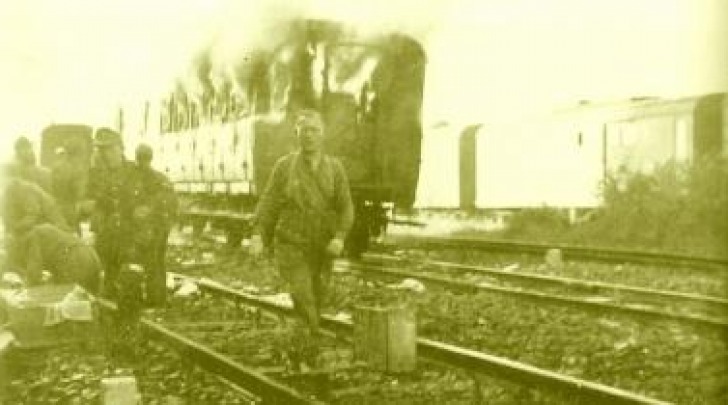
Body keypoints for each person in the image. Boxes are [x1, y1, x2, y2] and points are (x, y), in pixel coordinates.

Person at [251, 109, 354, 351]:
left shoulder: (335, 168)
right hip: (291, 243)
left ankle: (305, 341)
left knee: (318, 295)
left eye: (314, 130)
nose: (309, 136)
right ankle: (312, 346)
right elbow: (268, 203)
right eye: (304, 130)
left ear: (323, 134)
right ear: (296, 134)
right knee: (303, 293)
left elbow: (346, 207)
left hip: (322, 245)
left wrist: (340, 237)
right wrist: (258, 234)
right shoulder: (284, 167)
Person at [84, 128, 142, 298]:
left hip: (130, 235)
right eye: (101, 150)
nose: (106, 154)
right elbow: (83, 204)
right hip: (105, 235)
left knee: (130, 280)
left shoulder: (135, 171)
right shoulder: (95, 175)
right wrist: (92, 205)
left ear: (121, 148)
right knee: (106, 282)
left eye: (110, 149)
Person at [1, 164, 70, 272]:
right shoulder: (8, 192)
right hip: (36, 228)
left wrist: (14, 228)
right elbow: (7, 218)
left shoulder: (24, 189)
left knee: (31, 245)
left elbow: (32, 216)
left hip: (52, 228)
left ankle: (32, 275)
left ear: (14, 178)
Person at [132, 143, 178, 307]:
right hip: (160, 227)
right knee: (157, 262)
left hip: (149, 228)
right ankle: (158, 298)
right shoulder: (161, 178)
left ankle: (153, 299)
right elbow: (173, 204)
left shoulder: (135, 178)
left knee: (149, 262)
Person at [22, 223, 102, 294]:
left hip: (73, 258)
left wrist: (24, 288)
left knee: (69, 302)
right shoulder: (48, 229)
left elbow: (34, 270)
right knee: (90, 299)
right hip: (90, 254)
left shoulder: (32, 237)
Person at [50, 146, 86, 231]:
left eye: (62, 154)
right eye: (61, 155)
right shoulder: (66, 167)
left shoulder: (58, 167)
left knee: (66, 223)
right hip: (64, 201)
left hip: (65, 201)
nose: (62, 156)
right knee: (69, 223)